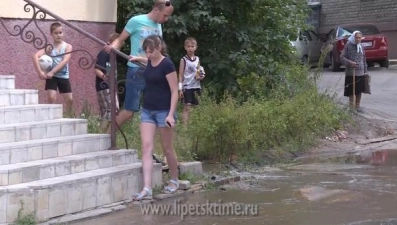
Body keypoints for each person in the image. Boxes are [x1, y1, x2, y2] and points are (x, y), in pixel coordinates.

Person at [104, 0, 174, 133]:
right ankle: (107, 136)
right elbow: (120, 39)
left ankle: (149, 149)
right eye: (165, 15)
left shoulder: (158, 26)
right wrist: (112, 47)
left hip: (153, 70)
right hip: (136, 70)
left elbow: (159, 52)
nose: (166, 19)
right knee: (129, 111)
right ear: (156, 10)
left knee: (154, 110)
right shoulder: (136, 21)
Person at [130, 35, 179, 201]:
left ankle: (174, 179)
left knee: (167, 148)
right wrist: (138, 58)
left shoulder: (168, 64)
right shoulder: (149, 61)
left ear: (159, 47)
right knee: (146, 147)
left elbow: (174, 91)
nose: (148, 55)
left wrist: (171, 114)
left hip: (164, 111)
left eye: (151, 51)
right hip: (148, 110)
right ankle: (147, 188)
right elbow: (147, 62)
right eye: (146, 52)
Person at [32, 22, 73, 113]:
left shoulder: (67, 47)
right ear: (51, 34)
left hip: (63, 76)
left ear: (63, 33)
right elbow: (35, 56)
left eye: (60, 32)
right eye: (56, 33)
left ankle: (69, 115)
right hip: (52, 77)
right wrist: (40, 72)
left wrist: (52, 72)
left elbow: (65, 61)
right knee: (51, 97)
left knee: (69, 99)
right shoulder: (49, 47)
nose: (58, 35)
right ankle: (51, 116)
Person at [94, 33, 122, 132]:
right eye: (119, 43)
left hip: (110, 86)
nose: (120, 46)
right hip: (104, 86)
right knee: (110, 110)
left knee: (113, 110)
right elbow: (97, 69)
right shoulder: (104, 53)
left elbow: (109, 67)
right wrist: (105, 78)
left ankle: (106, 133)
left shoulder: (112, 55)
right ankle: (102, 132)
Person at [178, 37, 205, 125]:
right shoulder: (183, 60)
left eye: (192, 46)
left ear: (195, 47)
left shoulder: (197, 59)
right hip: (187, 86)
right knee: (187, 107)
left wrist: (201, 76)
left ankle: (194, 125)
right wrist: (180, 88)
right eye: (188, 46)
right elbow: (180, 74)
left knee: (196, 106)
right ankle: (185, 127)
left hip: (196, 86)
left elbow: (199, 71)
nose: (190, 48)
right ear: (185, 47)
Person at [340, 30, 368, 113]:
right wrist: (349, 62)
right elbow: (342, 58)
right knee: (352, 90)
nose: (358, 39)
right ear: (353, 37)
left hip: (361, 72)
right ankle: (351, 107)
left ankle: (357, 106)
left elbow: (364, 59)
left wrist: (365, 71)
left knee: (359, 90)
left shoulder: (361, 46)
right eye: (357, 37)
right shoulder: (348, 45)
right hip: (351, 72)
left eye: (360, 38)